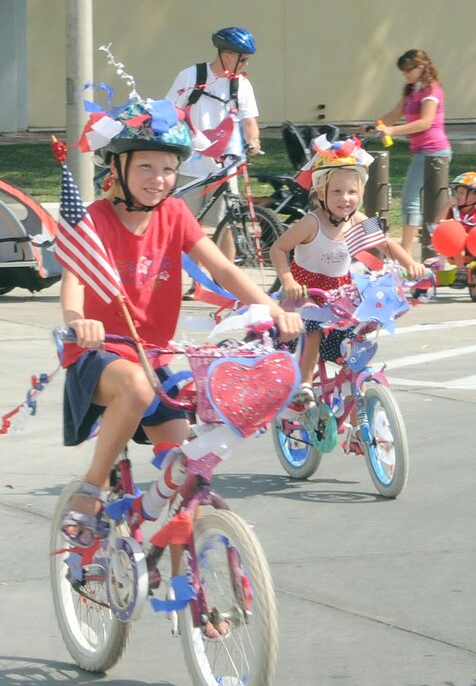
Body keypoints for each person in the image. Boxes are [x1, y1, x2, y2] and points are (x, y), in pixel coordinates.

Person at [56, 103, 300, 550]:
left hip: (158, 355)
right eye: (146, 166)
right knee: (137, 387)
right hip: (101, 354)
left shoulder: (174, 214)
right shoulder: (93, 220)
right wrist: (78, 321)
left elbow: (223, 269)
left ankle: (192, 586)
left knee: (187, 471)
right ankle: (92, 487)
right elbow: (72, 282)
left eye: (169, 169)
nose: (158, 178)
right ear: (117, 165)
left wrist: (272, 309)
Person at [269, 147, 423, 394]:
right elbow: (277, 249)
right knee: (314, 329)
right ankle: (305, 387)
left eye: (352, 192)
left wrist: (411, 265)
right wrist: (287, 280)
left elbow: (386, 243)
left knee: (356, 342)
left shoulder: (359, 219)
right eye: (337, 192)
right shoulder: (312, 222)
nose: (345, 198)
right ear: (321, 193)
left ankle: (360, 416)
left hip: (340, 295)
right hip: (306, 294)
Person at [372, 49, 452, 267]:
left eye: (409, 69)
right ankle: (430, 252)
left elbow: (425, 122)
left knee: (410, 201)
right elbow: (393, 115)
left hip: (433, 151)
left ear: (421, 66)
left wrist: (393, 132)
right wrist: (374, 126)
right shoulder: (412, 90)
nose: (406, 74)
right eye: (403, 71)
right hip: (421, 151)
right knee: (434, 204)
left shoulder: (431, 90)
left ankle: (406, 254)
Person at [164, 26, 262, 174]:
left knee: (230, 198)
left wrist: (253, 140)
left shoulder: (242, 84)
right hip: (189, 168)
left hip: (225, 169)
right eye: (243, 60)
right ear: (228, 55)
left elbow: (249, 120)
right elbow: (169, 112)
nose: (246, 64)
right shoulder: (190, 76)